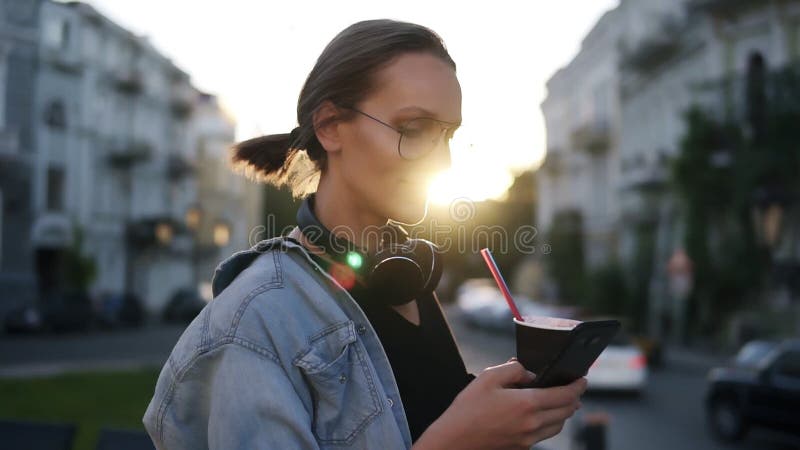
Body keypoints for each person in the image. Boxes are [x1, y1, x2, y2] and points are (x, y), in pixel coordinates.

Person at [143, 19, 586, 450]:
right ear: (331, 126)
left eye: (448, 135)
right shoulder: (255, 321)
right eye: (414, 129)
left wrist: (500, 420)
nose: (443, 162)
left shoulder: (406, 278)